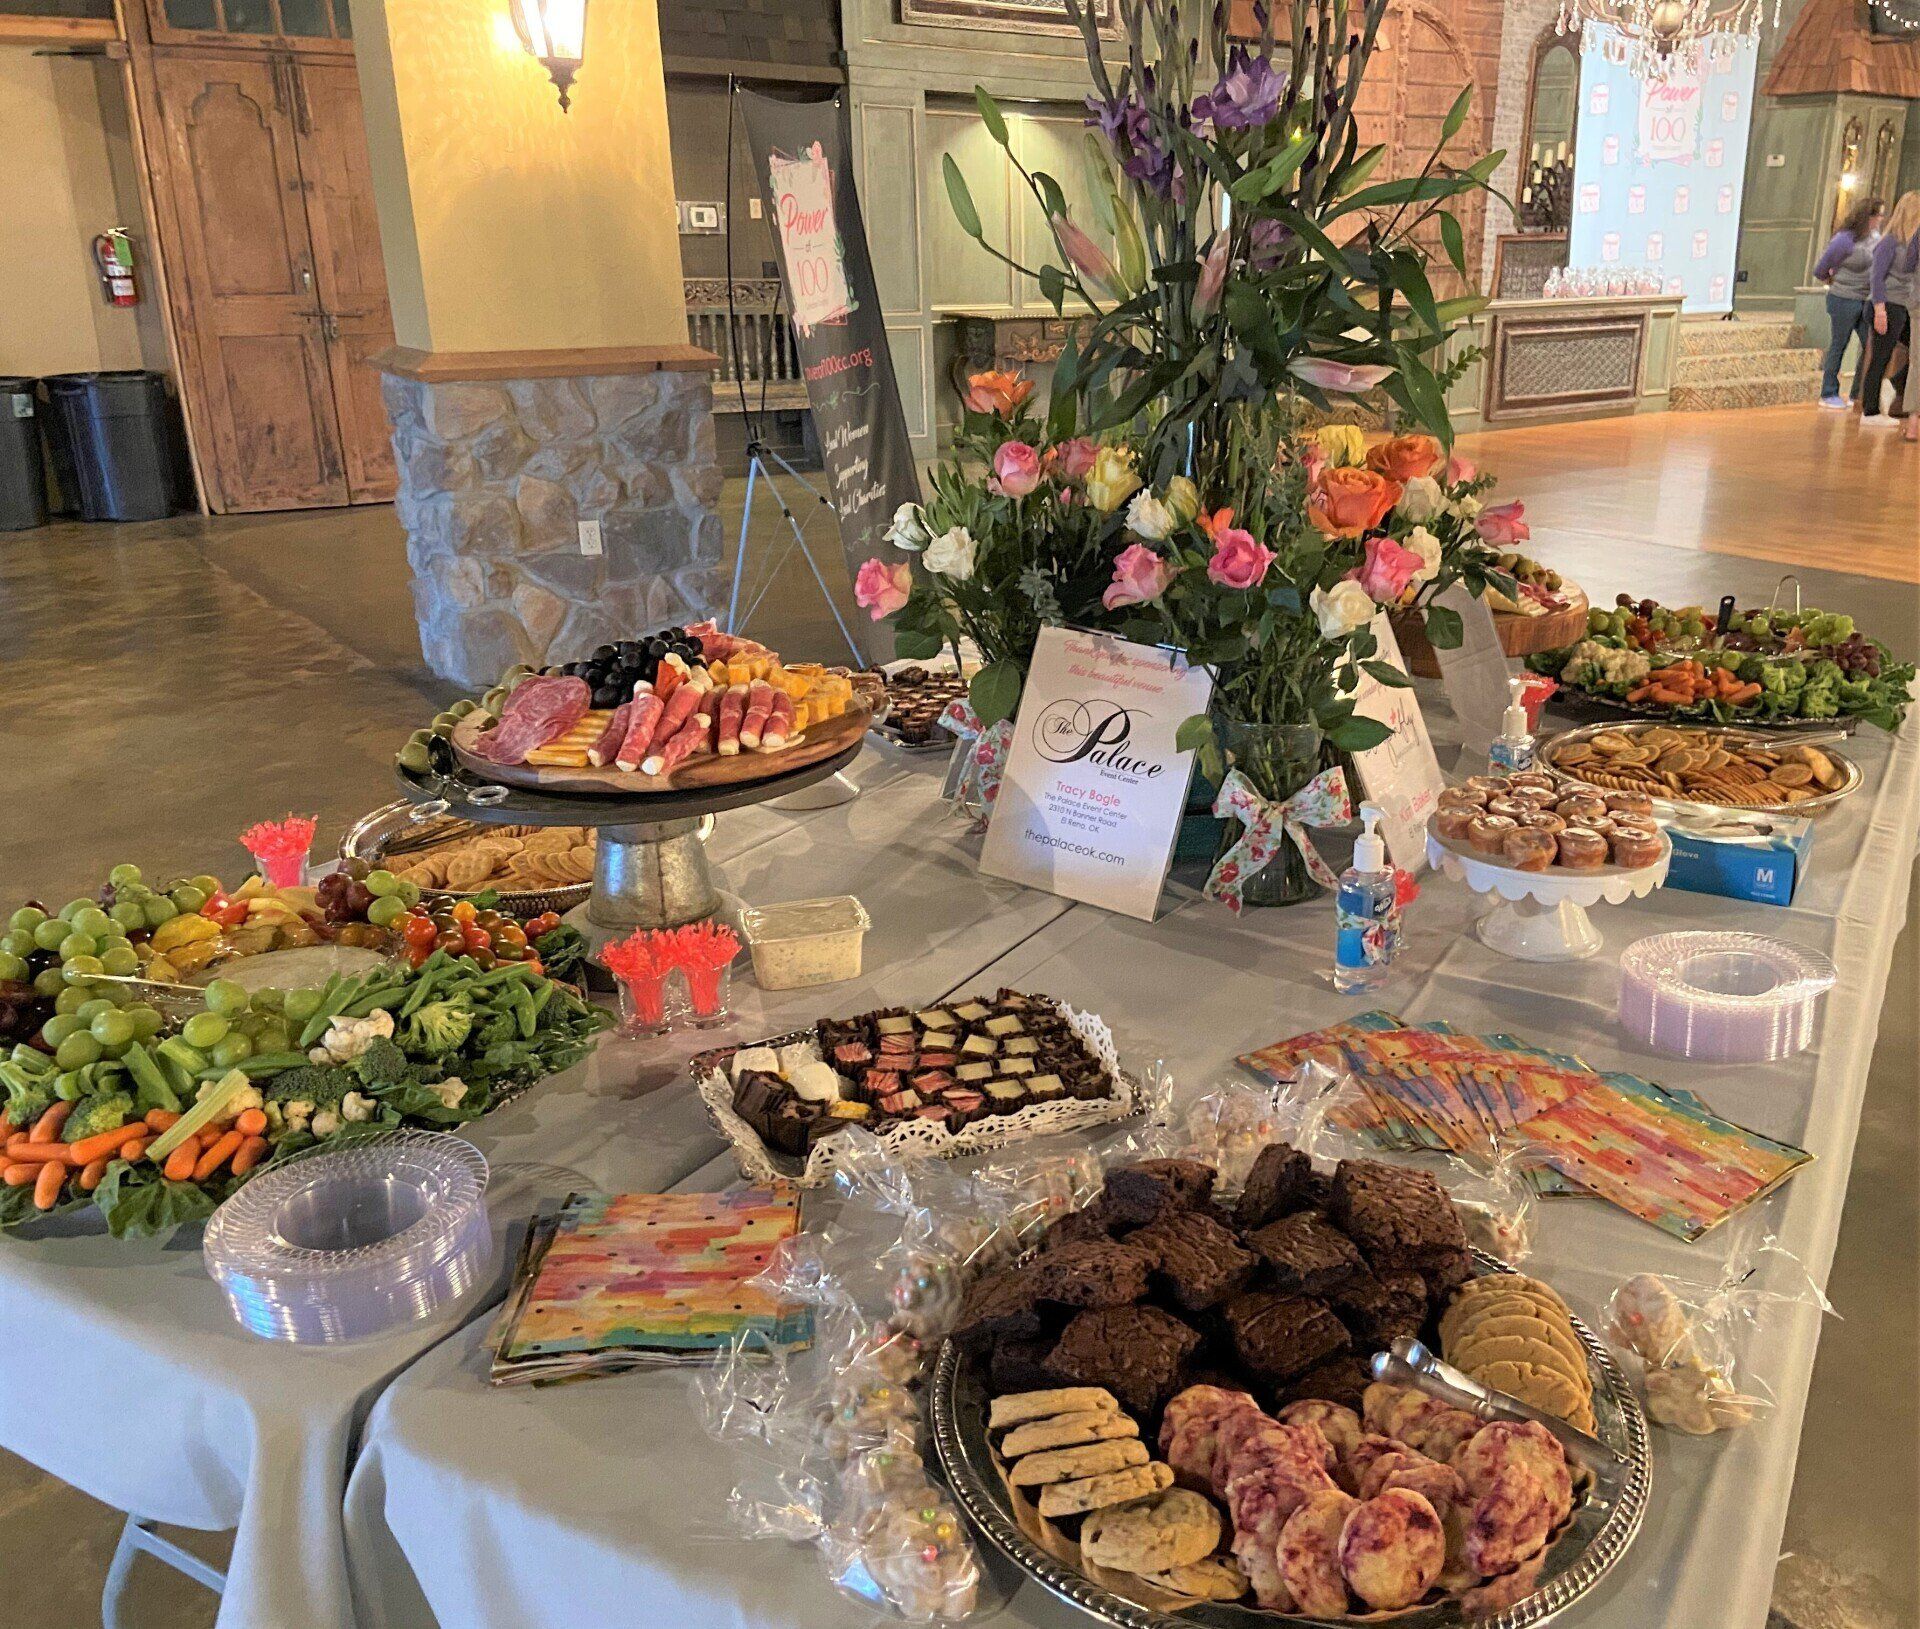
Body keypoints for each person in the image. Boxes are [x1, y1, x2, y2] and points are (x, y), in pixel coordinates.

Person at [1812, 197, 1883, 408]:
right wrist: (1834, 280)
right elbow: (1820, 269)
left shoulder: (1877, 238)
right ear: (1867, 216)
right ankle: (1828, 393)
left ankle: (1857, 393)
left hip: (1866, 299)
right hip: (1843, 298)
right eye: (1878, 214)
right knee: (1839, 345)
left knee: (1869, 345)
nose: (1881, 219)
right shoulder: (1844, 239)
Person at [1857, 190, 1919, 427]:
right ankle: (1870, 411)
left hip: (1903, 305)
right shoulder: (1890, 241)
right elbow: (1877, 278)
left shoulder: (1908, 242)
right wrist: (1880, 309)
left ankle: (1893, 384)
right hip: (1886, 305)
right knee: (1880, 357)